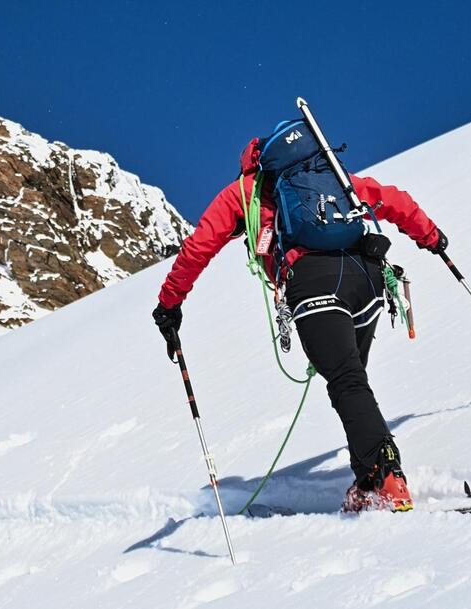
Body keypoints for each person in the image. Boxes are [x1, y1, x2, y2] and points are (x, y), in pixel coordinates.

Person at [151, 132, 447, 513]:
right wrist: (431, 236)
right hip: (368, 277)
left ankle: (387, 474)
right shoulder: (325, 175)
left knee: (346, 379)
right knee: (350, 379)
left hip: (313, 282)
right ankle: (367, 480)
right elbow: (391, 199)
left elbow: (198, 247)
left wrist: (168, 304)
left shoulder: (244, 191)